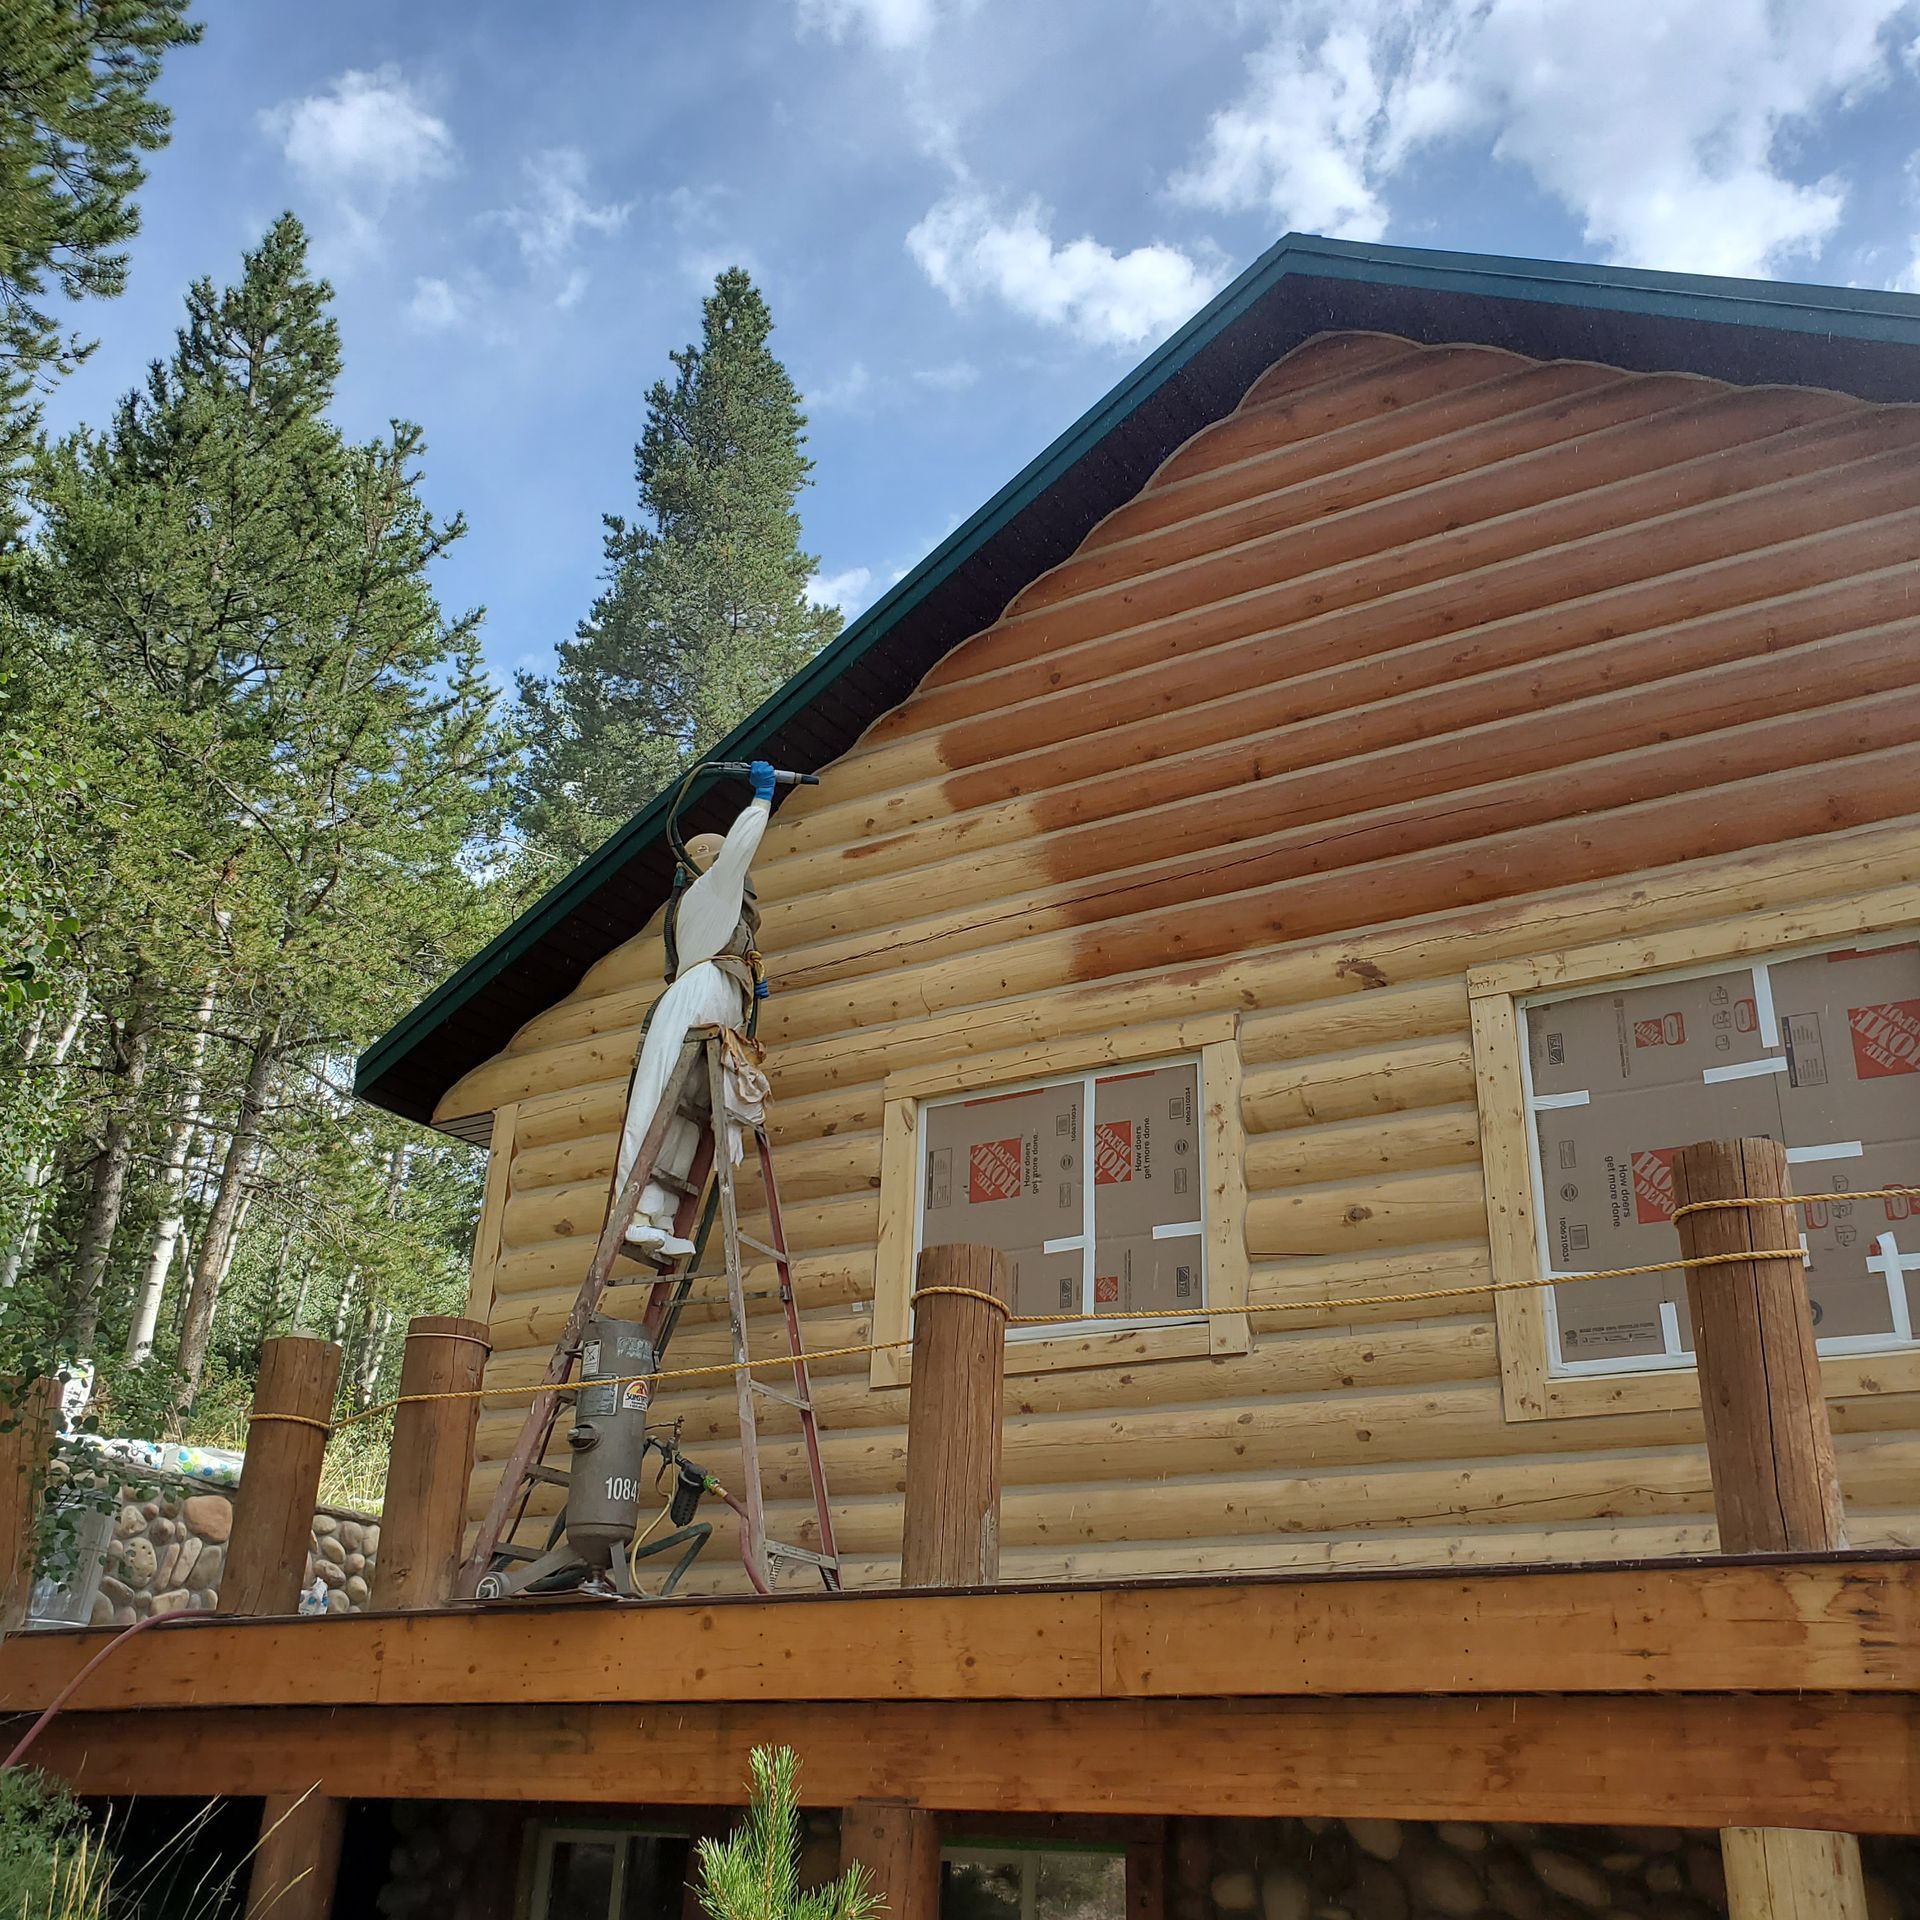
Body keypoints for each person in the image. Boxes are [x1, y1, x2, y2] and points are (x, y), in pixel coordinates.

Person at [613, 760, 778, 1256]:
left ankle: (660, 1218)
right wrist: (761, 801)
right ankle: (635, 1211)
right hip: (695, 998)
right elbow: (740, 852)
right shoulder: (709, 890)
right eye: (723, 859)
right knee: (660, 1102)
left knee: (692, 1113)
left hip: (719, 1001)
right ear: (706, 862)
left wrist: (748, 983)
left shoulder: (715, 905)